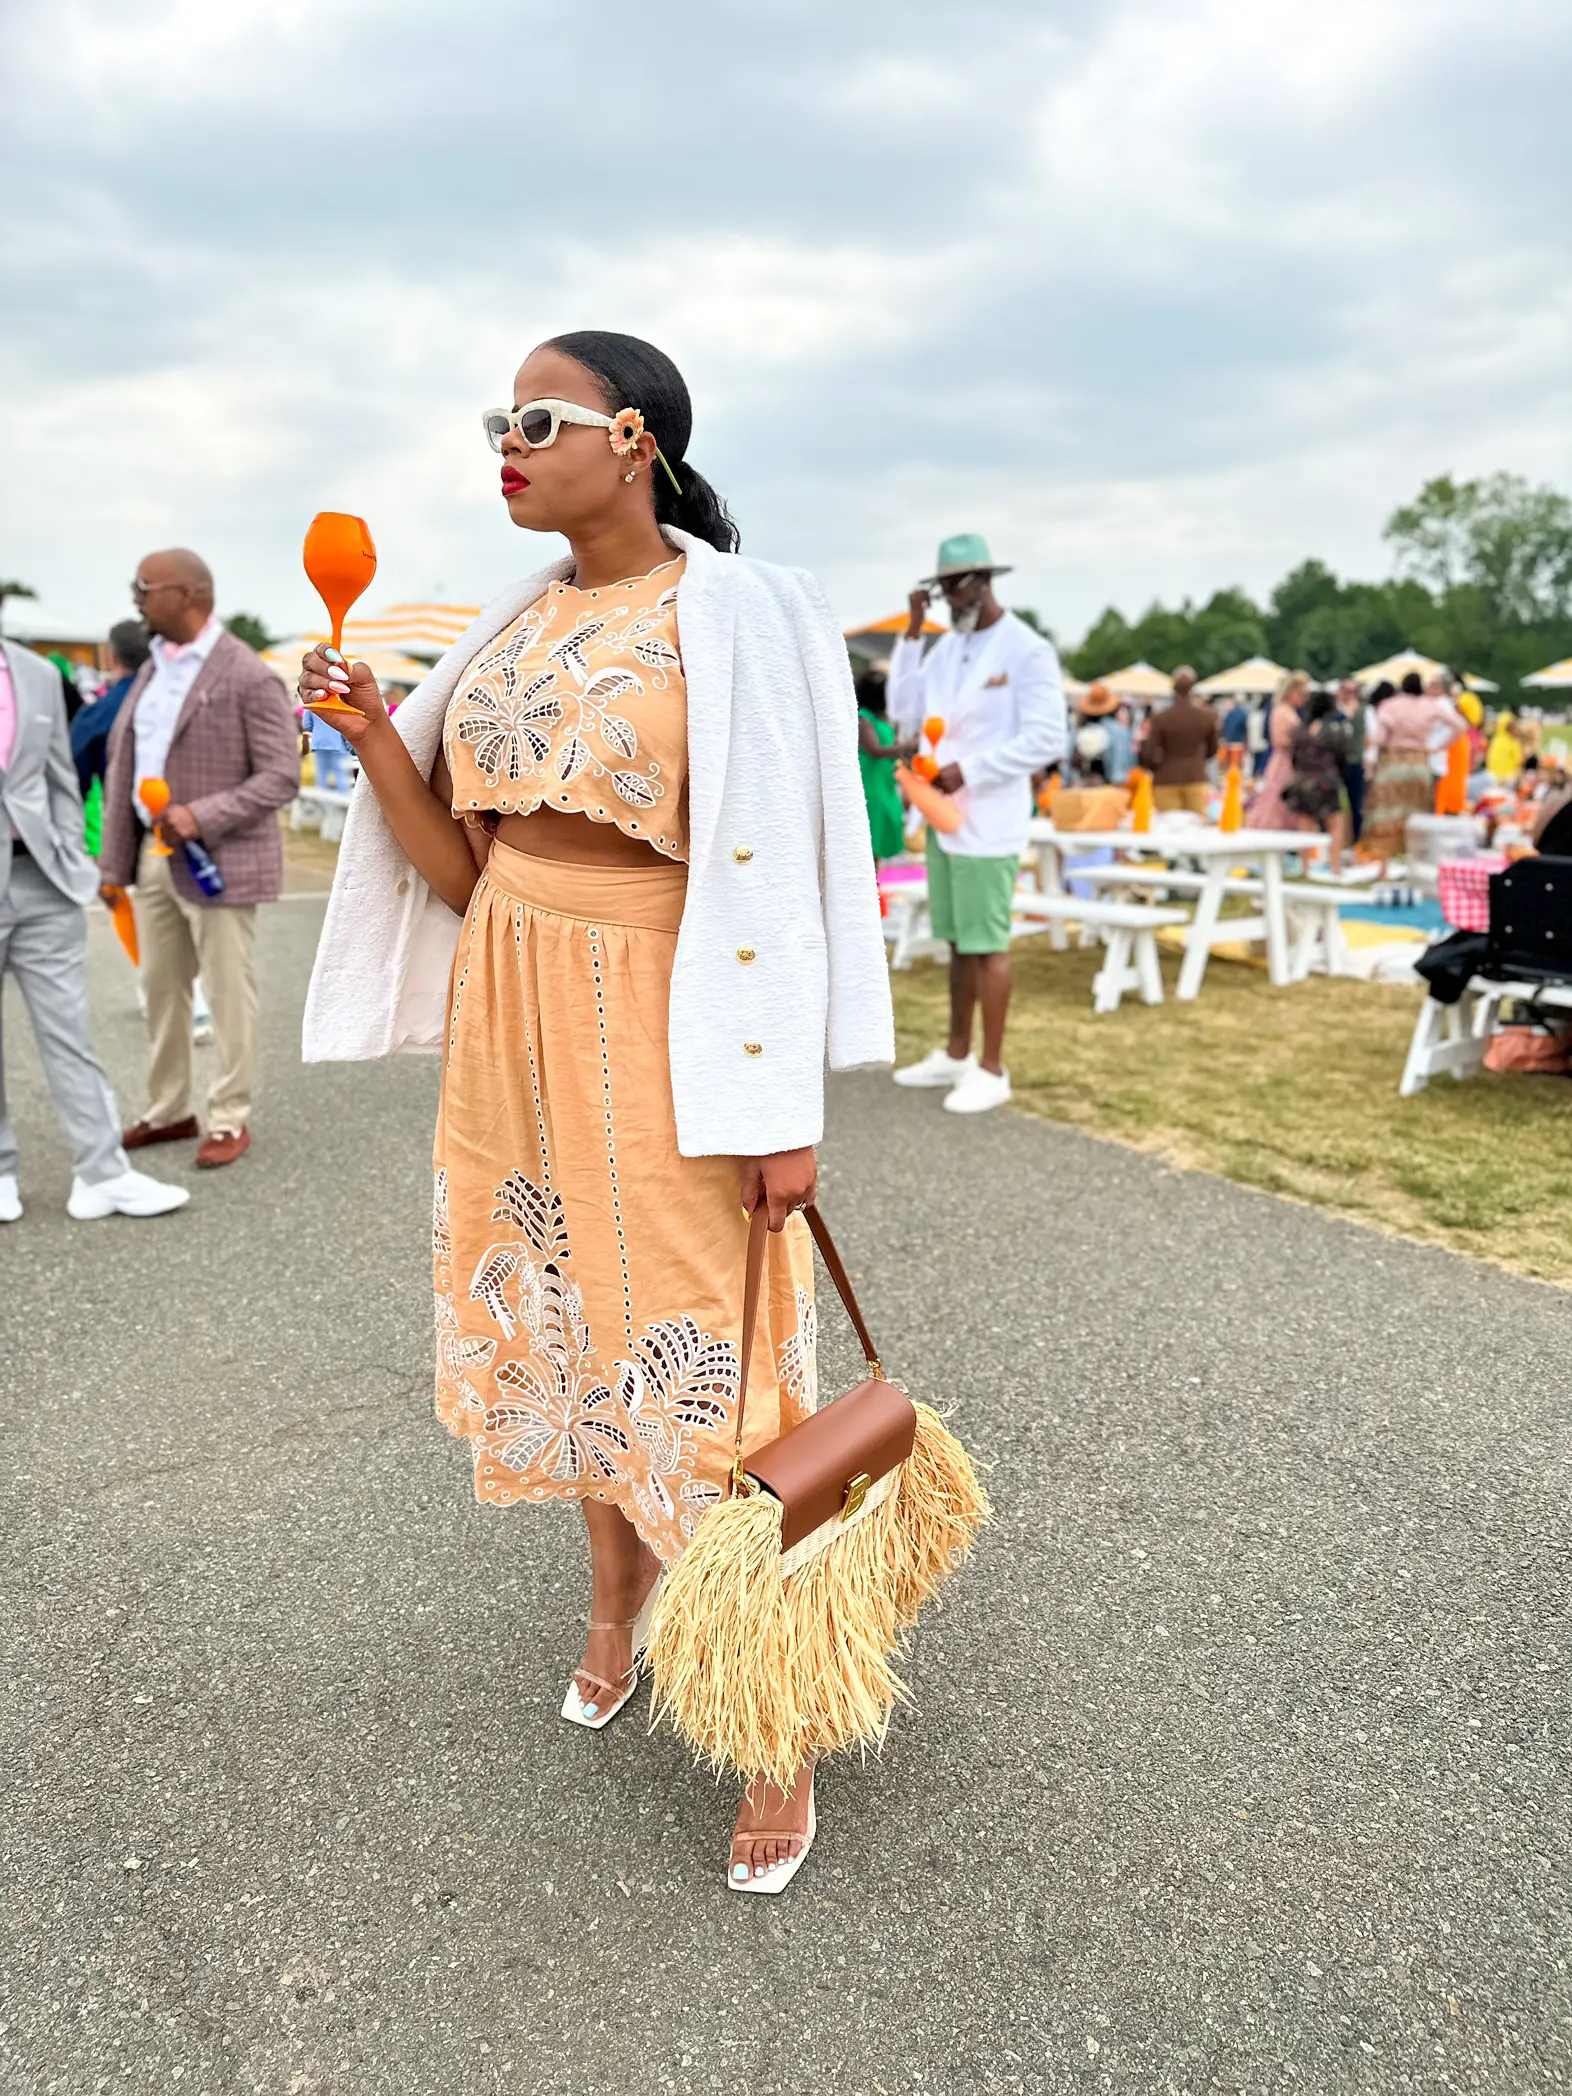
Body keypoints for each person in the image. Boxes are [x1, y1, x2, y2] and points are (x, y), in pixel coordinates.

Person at [298, 331, 893, 1893]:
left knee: (707, 1354)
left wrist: (782, 1106)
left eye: (538, 419)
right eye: (497, 420)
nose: (506, 441)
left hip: (666, 1014)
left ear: (632, 439)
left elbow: (781, 865)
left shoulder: (743, 616)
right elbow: (468, 877)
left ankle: (779, 1721)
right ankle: (613, 1608)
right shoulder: (508, 629)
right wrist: (373, 738)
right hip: (514, 1012)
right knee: (562, 1327)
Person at [98, 550, 299, 1169]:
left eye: (145, 587)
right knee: (160, 989)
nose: (134, 597)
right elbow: (126, 767)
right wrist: (114, 865)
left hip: (219, 861)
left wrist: (201, 814)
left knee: (227, 992)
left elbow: (281, 776)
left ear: (188, 595)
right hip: (154, 857)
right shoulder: (153, 669)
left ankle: (228, 1115)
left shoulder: (247, 673)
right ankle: (168, 1110)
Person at [0, 634, 189, 1223]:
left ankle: (102, 1173)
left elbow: (60, 771)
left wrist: (70, 856)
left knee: (70, 1034)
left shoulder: (33, 669)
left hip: (44, 881)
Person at [886, 534, 1066, 1115]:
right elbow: (904, 712)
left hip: (988, 818)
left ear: (982, 582)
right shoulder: (946, 648)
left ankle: (993, 1068)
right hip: (943, 817)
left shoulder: (1026, 649)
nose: (945, 601)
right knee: (958, 941)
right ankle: (957, 1052)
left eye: (952, 589)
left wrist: (974, 770)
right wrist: (913, 632)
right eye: (937, 591)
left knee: (988, 945)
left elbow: (1046, 738)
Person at [1361, 671, 1468, 870]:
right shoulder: (1429, 706)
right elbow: (1459, 725)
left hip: (1393, 762)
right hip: (1420, 763)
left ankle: (1384, 867)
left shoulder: (1391, 706)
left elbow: (1379, 737)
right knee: (1417, 817)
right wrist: (1438, 746)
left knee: (1387, 814)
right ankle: (1413, 865)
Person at [1284, 690, 1351, 875]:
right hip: (1328, 780)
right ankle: (1335, 867)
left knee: (1305, 826)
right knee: (1335, 827)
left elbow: (1294, 757)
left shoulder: (1298, 731)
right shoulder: (1335, 731)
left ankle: (1305, 867)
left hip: (1304, 781)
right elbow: (1342, 756)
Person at [854, 663, 913, 861]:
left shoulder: (879, 721)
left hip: (884, 784)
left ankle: (874, 887)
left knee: (878, 837)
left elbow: (890, 750)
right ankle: (870, 888)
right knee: (871, 840)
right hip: (871, 786)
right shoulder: (864, 719)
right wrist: (908, 746)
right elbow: (875, 750)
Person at [1142, 665, 1218, 816]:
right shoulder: (1206, 717)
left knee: (1168, 830)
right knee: (1196, 830)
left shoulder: (1160, 718)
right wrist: (1198, 760)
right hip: (1196, 776)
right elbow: (1213, 749)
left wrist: (1156, 767)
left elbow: (1149, 753)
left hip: (1166, 778)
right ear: (1193, 688)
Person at [1244, 671, 1310, 829]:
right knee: (1277, 797)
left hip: (1290, 760)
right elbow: (1279, 740)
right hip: (1284, 761)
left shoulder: (1289, 711)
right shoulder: (1282, 711)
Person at [1073, 683, 1130, 783]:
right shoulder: (1120, 731)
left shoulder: (1079, 730)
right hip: (1111, 784)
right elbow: (1124, 762)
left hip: (1082, 784)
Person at [1334, 677, 1366, 841]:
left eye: (1353, 691)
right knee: (1333, 804)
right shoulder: (1333, 711)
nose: (1350, 695)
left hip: (1355, 761)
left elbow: (1370, 737)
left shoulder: (1364, 711)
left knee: (1357, 803)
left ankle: (1356, 839)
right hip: (1334, 763)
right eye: (1346, 691)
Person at [308, 711, 357, 794]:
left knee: (322, 772)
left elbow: (307, 725)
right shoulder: (342, 703)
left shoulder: (311, 704)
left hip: (320, 742)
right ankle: (343, 800)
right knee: (340, 773)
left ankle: (321, 801)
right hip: (338, 742)